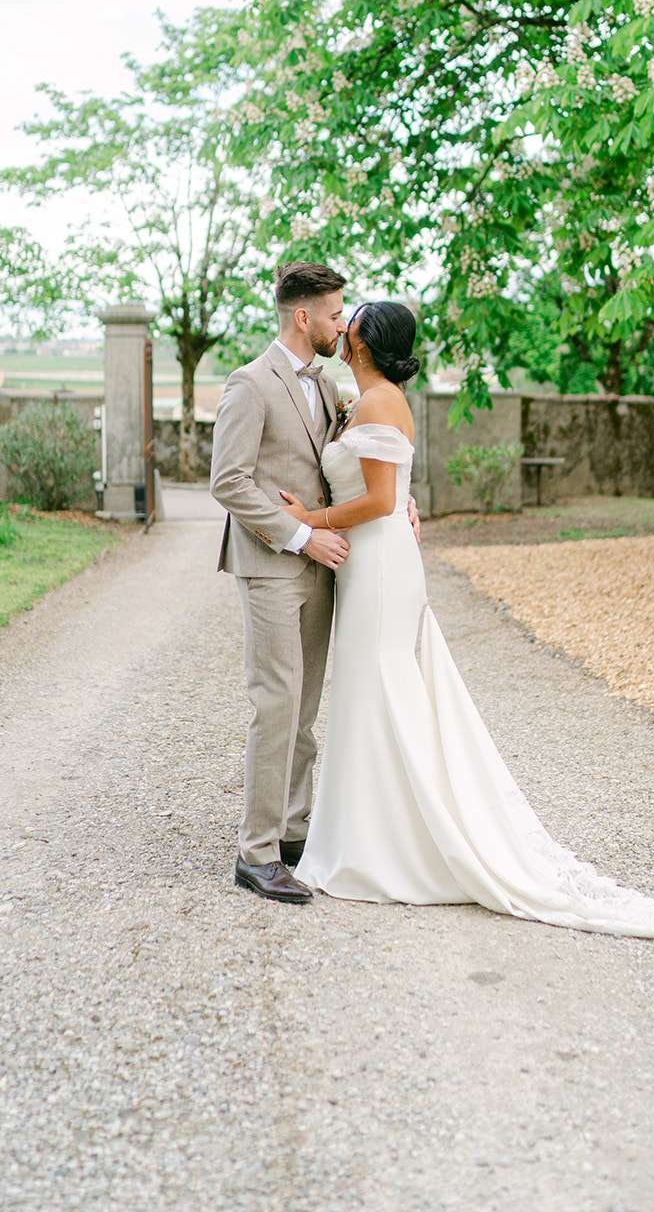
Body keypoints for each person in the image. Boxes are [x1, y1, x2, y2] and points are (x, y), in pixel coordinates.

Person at [280, 300, 654, 939]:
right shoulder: (365, 399)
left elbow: (379, 499)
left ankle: (389, 846)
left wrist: (310, 519)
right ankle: (367, 831)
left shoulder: (381, 404)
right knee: (365, 695)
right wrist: (394, 500)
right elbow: (392, 486)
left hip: (380, 568)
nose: (341, 324)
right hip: (372, 565)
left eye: (348, 319)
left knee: (377, 688)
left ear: (360, 342)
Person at [209, 263, 420, 905]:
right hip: (274, 564)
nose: (341, 324)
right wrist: (302, 535)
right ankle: (256, 851)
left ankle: (293, 832)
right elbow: (229, 481)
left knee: (303, 712)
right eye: (334, 314)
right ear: (304, 317)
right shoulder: (250, 385)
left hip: (327, 569)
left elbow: (357, 463)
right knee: (274, 704)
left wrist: (400, 499)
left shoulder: (329, 386)